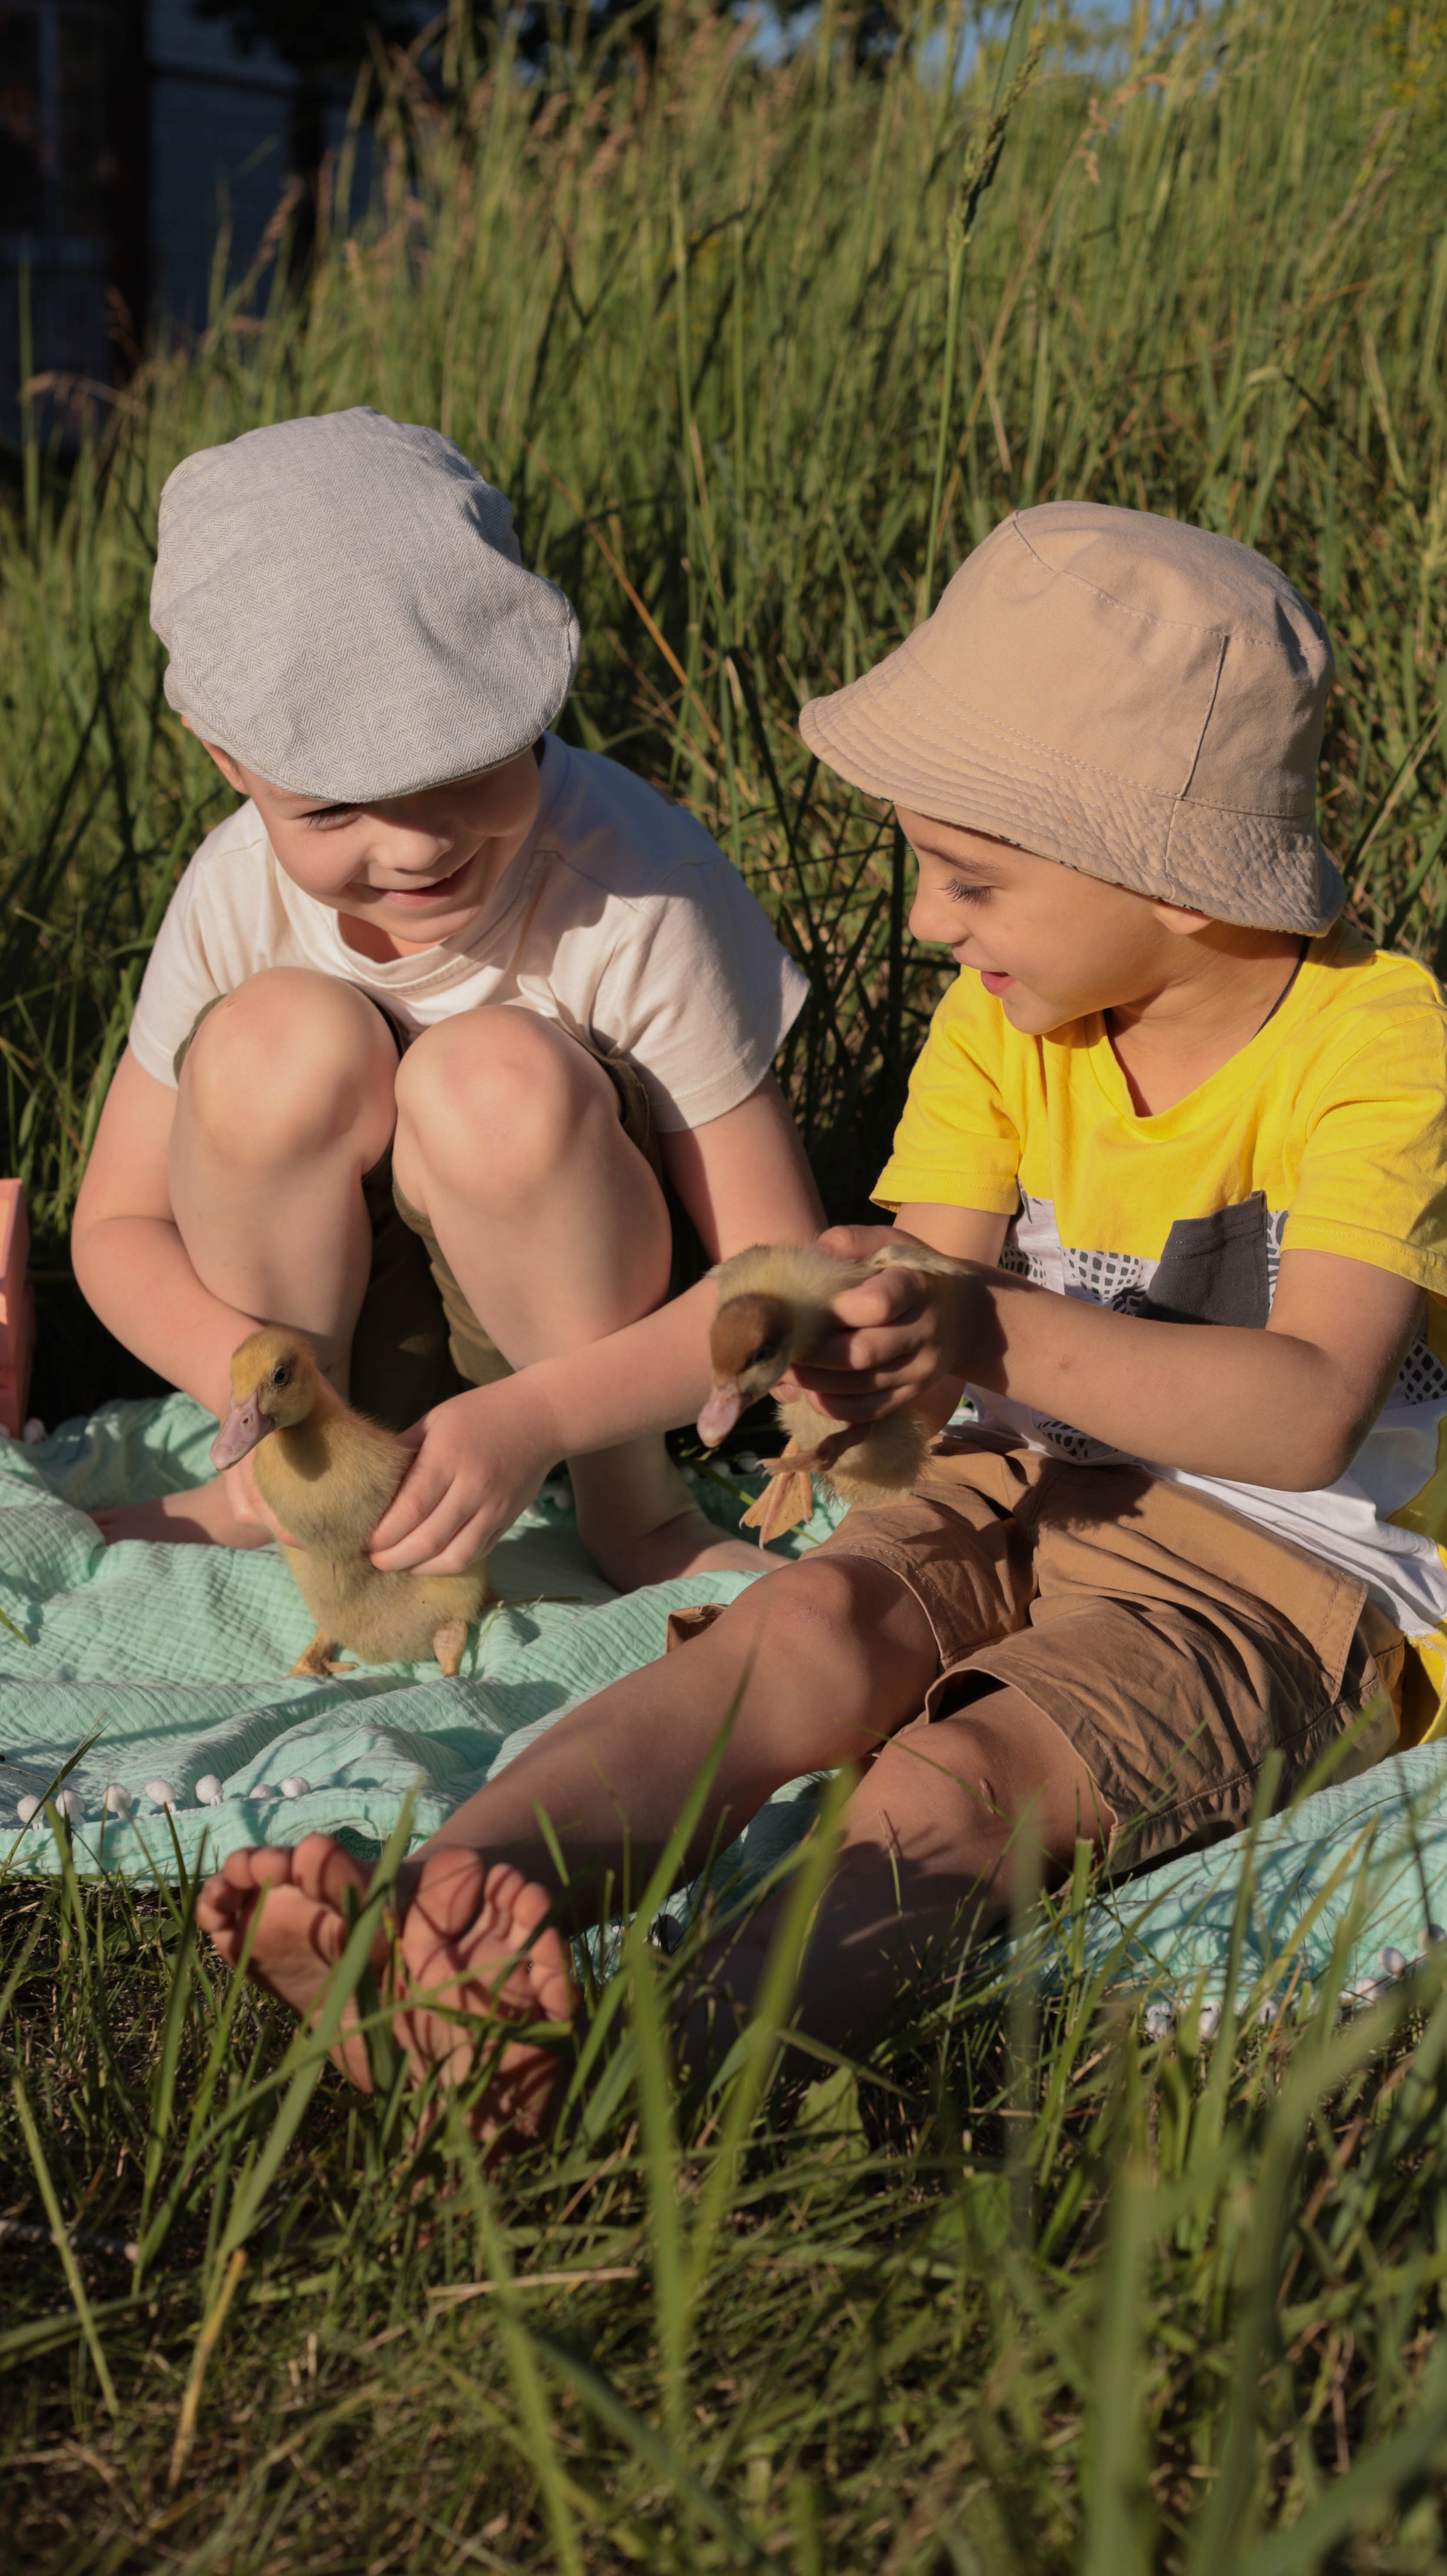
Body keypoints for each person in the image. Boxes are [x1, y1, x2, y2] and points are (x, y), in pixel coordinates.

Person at [197, 499, 1447, 2145]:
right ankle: (446, 1922)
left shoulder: (1379, 1042)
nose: (932, 921)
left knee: (961, 1784)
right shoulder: (1012, 1020)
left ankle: (644, 2085)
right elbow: (893, 1316)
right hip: (1015, 1492)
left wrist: (975, 1333)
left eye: (971, 877)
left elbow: (1302, 1411)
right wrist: (810, 1378)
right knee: (792, 1642)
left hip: (1286, 1575)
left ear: (1167, 872)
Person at [73, 408, 821, 1592]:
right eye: (329, 807)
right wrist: (255, 1378)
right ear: (227, 759)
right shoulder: (232, 890)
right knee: (273, 1043)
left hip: (585, 1367)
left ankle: (633, 1508)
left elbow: (778, 1274)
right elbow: (113, 1227)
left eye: (464, 762)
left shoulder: (632, 886)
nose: (415, 847)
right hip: (325, 1368)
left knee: (491, 1080)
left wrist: (537, 1422)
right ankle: (277, 1487)